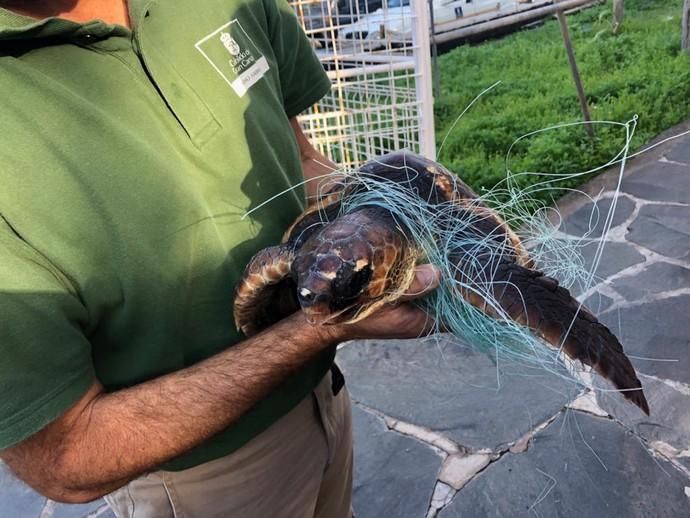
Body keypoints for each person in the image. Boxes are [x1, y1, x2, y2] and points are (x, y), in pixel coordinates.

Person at [0, 0, 439, 516]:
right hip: (204, 477)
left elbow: (301, 159)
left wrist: (388, 220)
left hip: (326, 395)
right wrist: (321, 327)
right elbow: (65, 459)